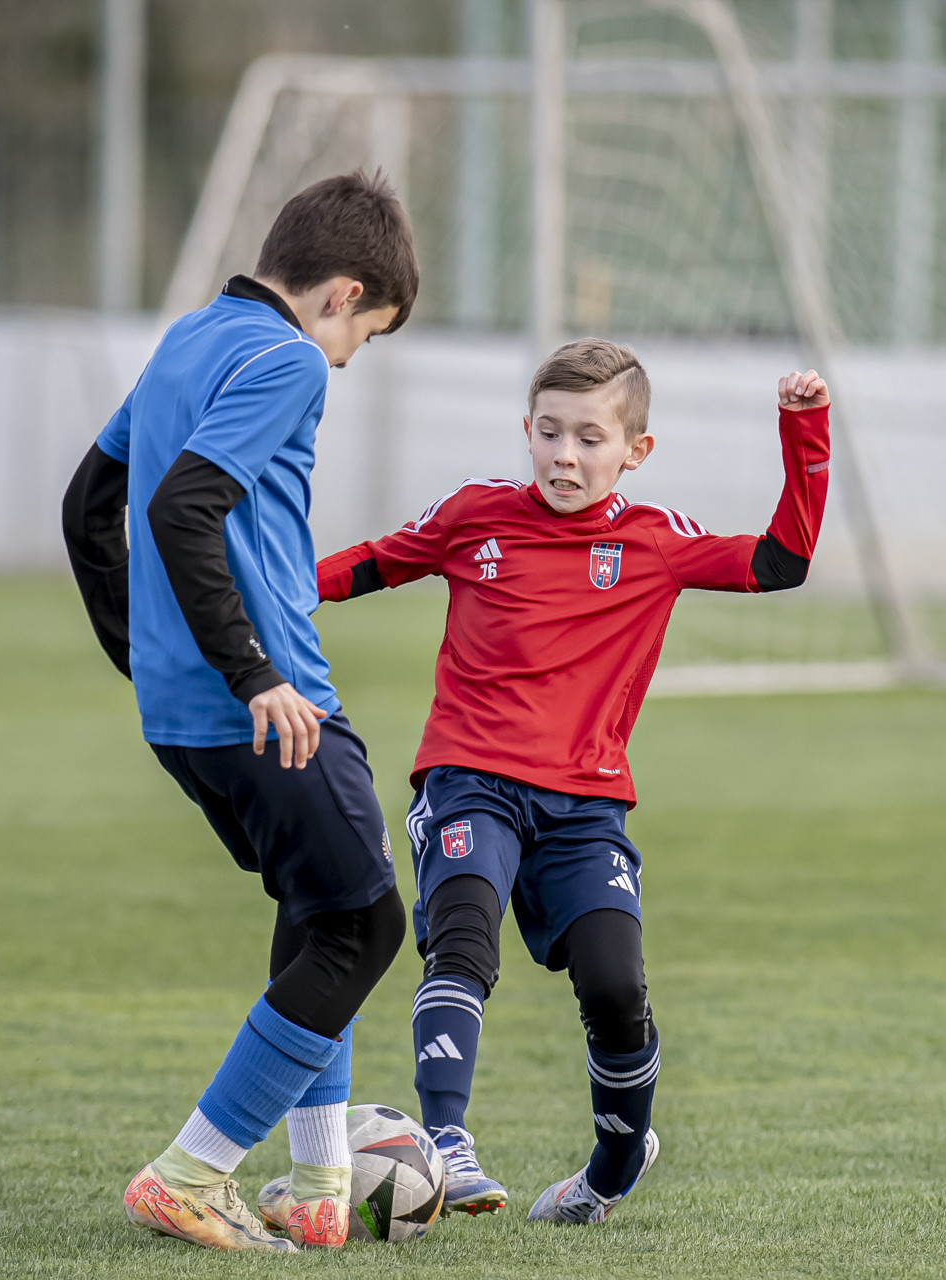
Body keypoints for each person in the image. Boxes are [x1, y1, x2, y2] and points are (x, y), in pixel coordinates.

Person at [312, 340, 831, 1224]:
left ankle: (610, 1172)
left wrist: (804, 429)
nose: (564, 455)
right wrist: (269, 593)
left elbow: (783, 560)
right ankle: (446, 1141)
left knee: (616, 987)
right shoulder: (475, 515)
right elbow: (371, 563)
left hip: (587, 805)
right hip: (469, 777)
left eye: (590, 439)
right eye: (549, 433)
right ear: (526, 430)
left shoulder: (654, 540)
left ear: (635, 450)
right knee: (463, 937)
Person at [60, 170, 419, 1252]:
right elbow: (185, 506)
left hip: (185, 712)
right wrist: (252, 670)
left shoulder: (187, 339)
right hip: (269, 703)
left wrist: (145, 656)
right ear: (341, 295)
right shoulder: (288, 357)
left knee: (323, 904)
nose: (347, 359)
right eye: (365, 336)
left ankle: (316, 1183)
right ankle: (191, 1172)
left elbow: (88, 504)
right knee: (364, 925)